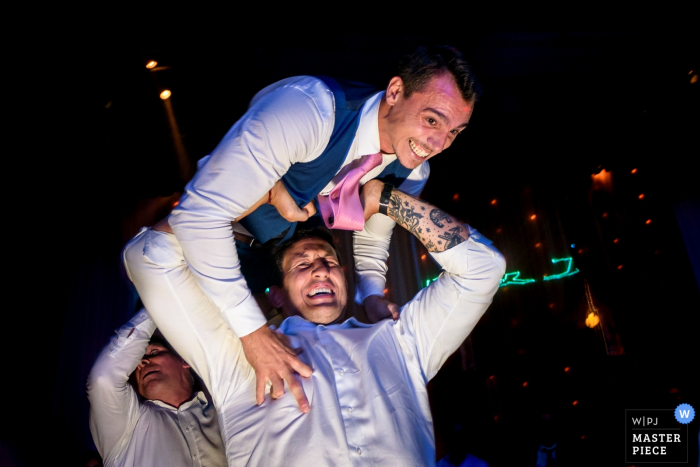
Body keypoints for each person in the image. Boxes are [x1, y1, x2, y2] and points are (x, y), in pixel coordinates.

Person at [155, 45, 481, 406]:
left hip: (280, 264)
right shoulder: (309, 110)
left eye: (455, 132)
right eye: (432, 120)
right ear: (394, 92)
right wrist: (252, 332)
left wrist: (372, 295)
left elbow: (373, 236)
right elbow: (198, 215)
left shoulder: (415, 170)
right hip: (211, 249)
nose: (438, 144)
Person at [123, 180, 505, 465]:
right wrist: (251, 200)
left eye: (329, 261)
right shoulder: (241, 357)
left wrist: (384, 199)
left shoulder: (400, 340)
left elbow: (484, 269)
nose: (321, 270)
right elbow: (146, 257)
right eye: (302, 265)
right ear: (277, 294)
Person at [87, 310, 226, 467]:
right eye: (137, 361)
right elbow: (103, 379)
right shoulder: (127, 424)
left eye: (154, 352)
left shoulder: (222, 416)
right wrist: (156, 305)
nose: (142, 363)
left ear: (184, 360)